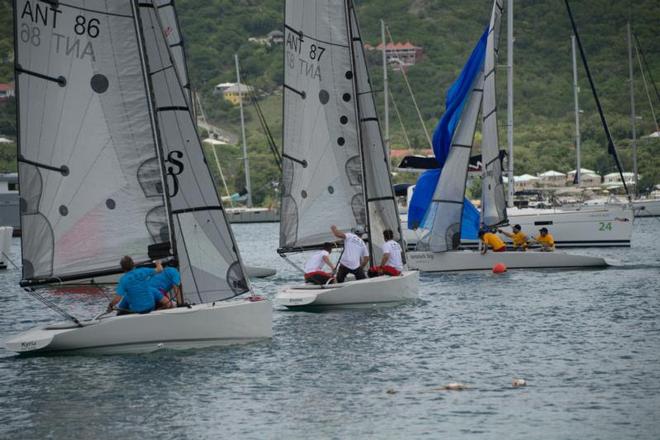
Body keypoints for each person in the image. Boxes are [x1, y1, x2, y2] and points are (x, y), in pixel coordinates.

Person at [107, 256, 173, 314]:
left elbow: (117, 299)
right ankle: (168, 306)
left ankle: (119, 314)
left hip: (137, 310)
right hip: (151, 306)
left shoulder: (123, 280)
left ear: (122, 268)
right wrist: (158, 263)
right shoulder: (142, 271)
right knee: (152, 290)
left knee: (127, 296)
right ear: (133, 264)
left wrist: (110, 306)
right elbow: (160, 269)